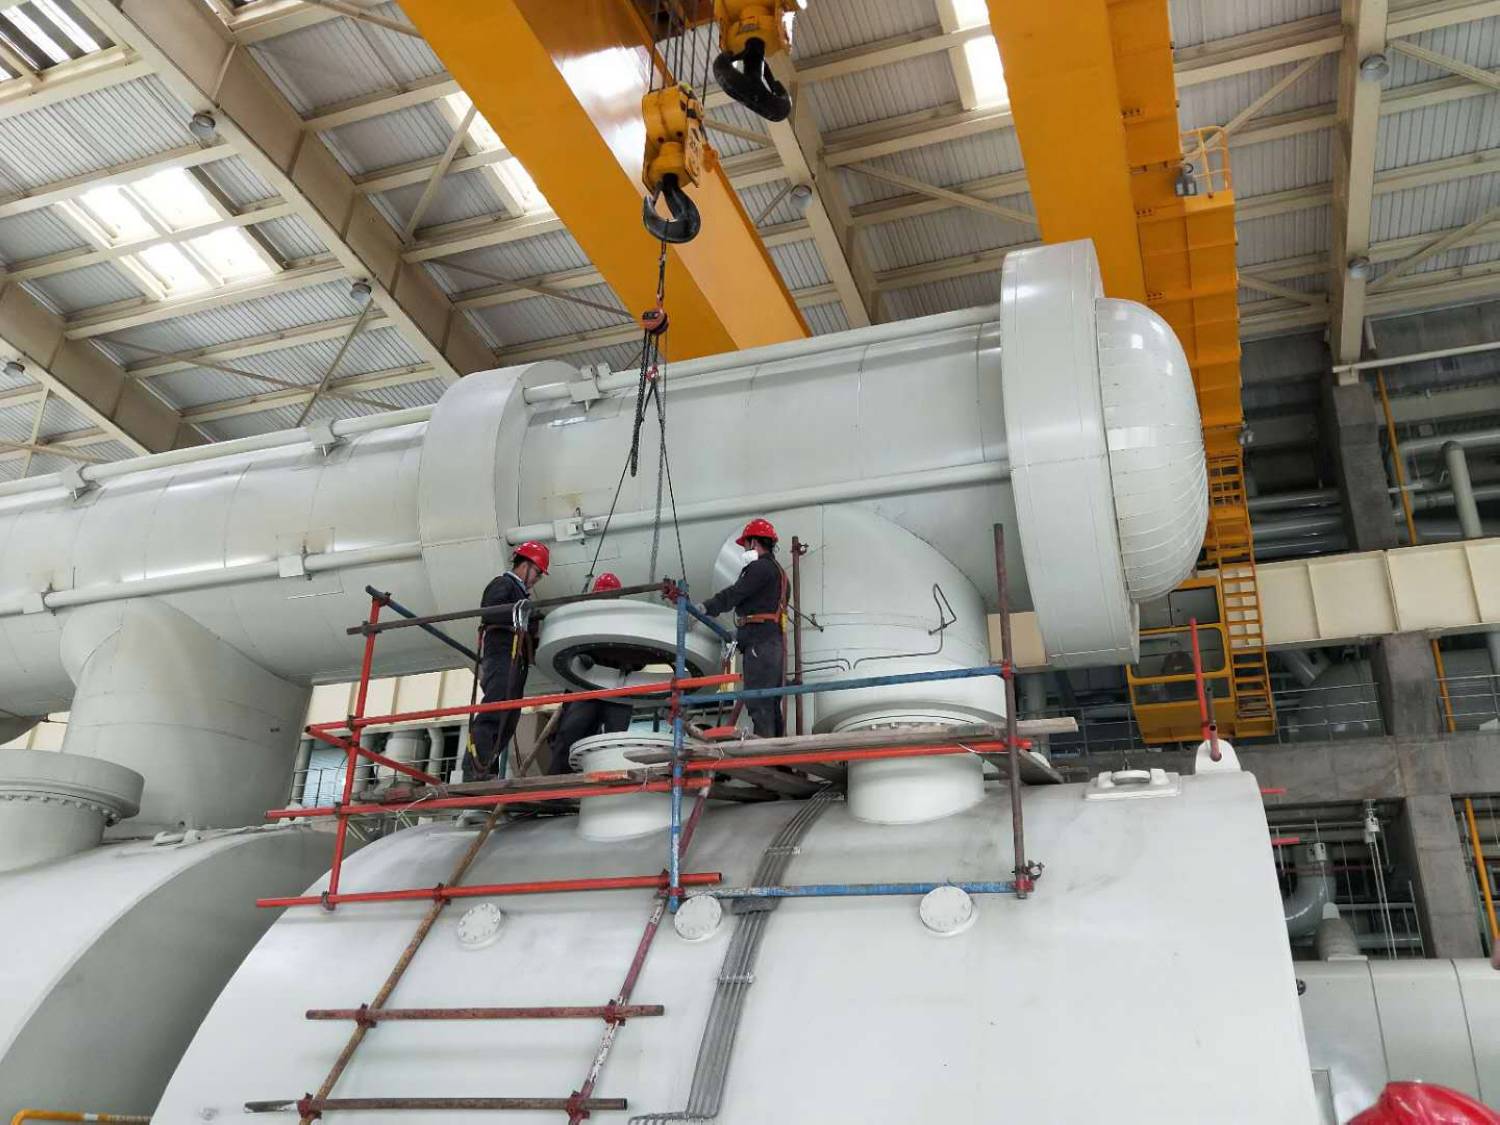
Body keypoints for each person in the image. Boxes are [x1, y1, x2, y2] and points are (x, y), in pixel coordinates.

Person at [465, 540, 549, 782]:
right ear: (525, 565)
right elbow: (492, 611)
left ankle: (485, 768)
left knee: (508, 718)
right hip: (502, 654)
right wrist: (524, 614)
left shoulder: (521, 595)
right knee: (496, 709)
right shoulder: (502, 584)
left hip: (515, 659)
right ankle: (474, 770)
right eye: (537, 573)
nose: (536, 580)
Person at [701, 518, 788, 738]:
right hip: (771, 644)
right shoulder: (779, 573)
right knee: (769, 702)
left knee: (759, 701)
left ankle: (766, 752)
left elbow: (736, 593)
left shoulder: (760, 568)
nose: (745, 549)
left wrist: (707, 607)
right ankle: (776, 751)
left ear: (754, 542)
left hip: (760, 644)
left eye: (746, 545)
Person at [547, 572, 635, 774]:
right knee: (571, 733)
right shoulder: (585, 618)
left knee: (614, 742)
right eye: (601, 596)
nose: (604, 601)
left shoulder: (626, 622)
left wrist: (627, 663)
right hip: (586, 686)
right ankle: (557, 784)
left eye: (608, 597)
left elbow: (639, 657)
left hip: (617, 688)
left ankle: (609, 781)